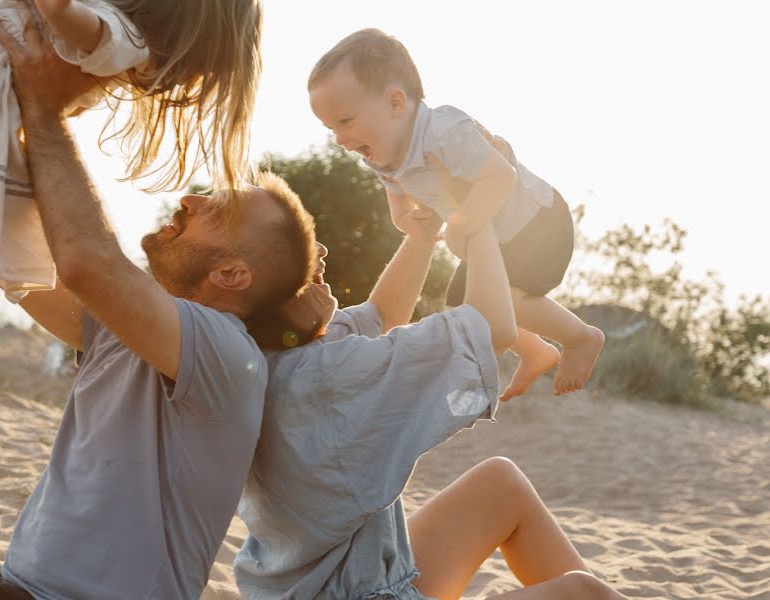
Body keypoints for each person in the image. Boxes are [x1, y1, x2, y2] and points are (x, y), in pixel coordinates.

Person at [0, 14, 317, 600]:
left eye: (214, 209)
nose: (188, 198)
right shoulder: (125, 333)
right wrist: (16, 101)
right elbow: (15, 231)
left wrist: (47, 108)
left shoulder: (227, 356)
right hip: (0, 584)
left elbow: (85, 259)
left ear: (232, 274)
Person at [235, 162, 626, 599]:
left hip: (340, 577)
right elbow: (490, 327)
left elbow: (383, 315)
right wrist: (477, 221)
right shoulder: (322, 376)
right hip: (357, 593)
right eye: (299, 246)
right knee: (583, 594)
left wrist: (421, 236)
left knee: (500, 484)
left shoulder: (276, 350)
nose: (320, 250)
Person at [0, 0, 263, 390]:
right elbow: (63, 12)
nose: (182, 81)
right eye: (196, 67)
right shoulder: (126, 37)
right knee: (5, 213)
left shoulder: (107, 20)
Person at [307, 28, 605, 401]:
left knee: (508, 300)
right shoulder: (381, 154)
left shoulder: (445, 132)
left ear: (396, 104)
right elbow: (399, 200)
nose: (339, 138)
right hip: (496, 236)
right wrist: (407, 220)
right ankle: (535, 351)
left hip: (535, 222)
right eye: (330, 127)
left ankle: (581, 336)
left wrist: (463, 225)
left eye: (345, 121)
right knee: (472, 307)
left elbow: (500, 177)